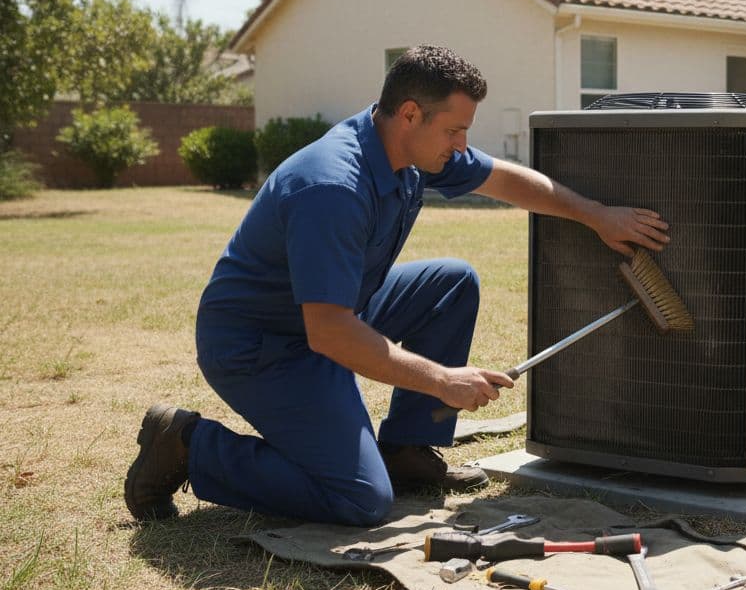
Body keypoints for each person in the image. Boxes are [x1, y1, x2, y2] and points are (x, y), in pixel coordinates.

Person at [124, 45, 671, 525]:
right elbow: (331, 335)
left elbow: (502, 178)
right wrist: (441, 380)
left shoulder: (410, 151)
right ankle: (189, 445)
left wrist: (595, 214)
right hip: (264, 347)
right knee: (359, 498)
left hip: (330, 315)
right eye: (455, 130)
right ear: (410, 114)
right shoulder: (332, 187)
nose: (462, 145)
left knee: (451, 282)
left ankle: (408, 449)